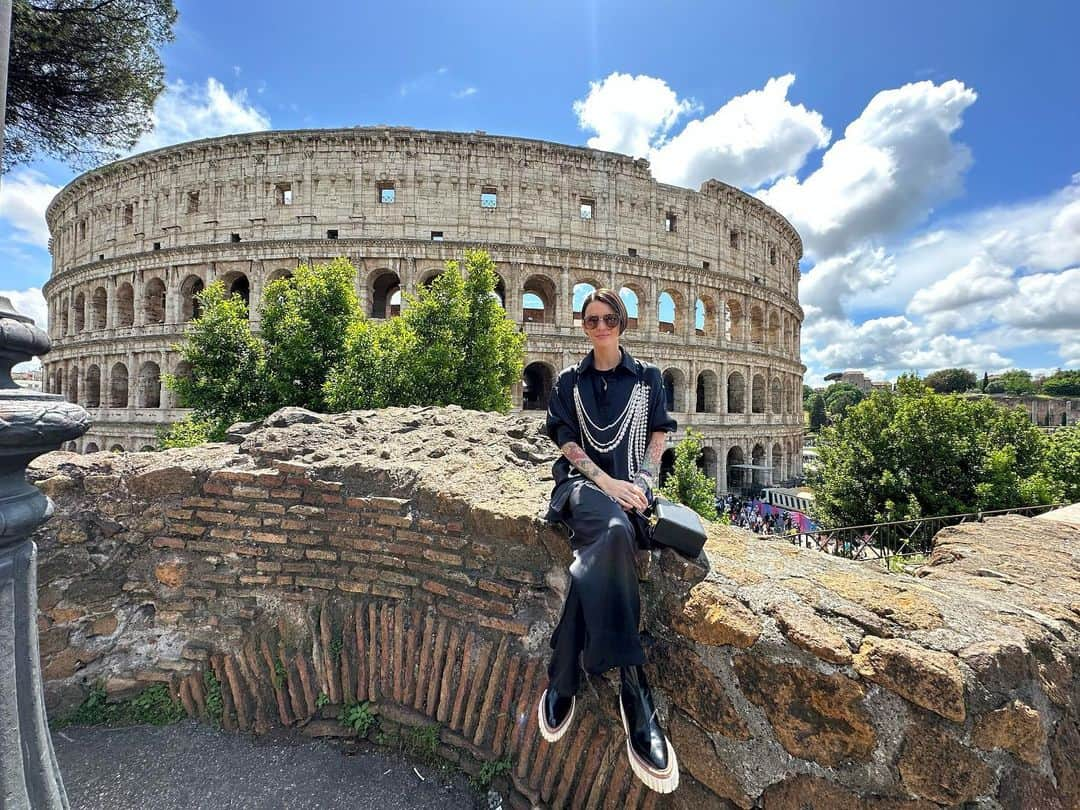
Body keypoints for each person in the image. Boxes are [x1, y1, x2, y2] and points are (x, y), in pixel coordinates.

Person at [537, 288, 680, 794]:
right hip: (582, 489)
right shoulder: (569, 383)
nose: (598, 327)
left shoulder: (648, 380)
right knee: (615, 530)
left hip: (632, 493)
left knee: (612, 541)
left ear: (622, 323)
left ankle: (563, 673)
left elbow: (658, 438)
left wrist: (640, 481)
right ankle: (634, 686)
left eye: (607, 319)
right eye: (590, 320)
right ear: (584, 326)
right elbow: (567, 444)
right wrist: (607, 483)